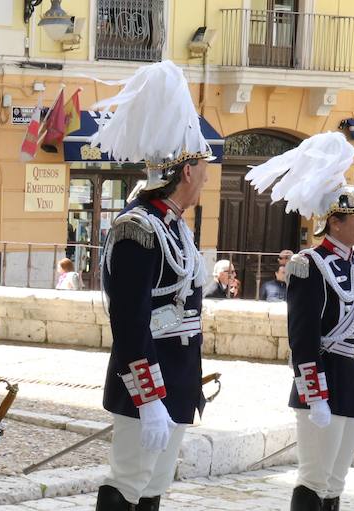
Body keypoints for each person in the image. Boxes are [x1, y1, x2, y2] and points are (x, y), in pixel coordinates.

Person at [91, 60, 213, 511]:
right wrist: (149, 398)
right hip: (147, 384)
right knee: (128, 482)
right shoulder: (137, 229)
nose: (206, 174)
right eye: (203, 165)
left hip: (176, 380)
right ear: (186, 172)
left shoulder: (175, 226)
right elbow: (129, 320)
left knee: (152, 489)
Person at [246, 131, 354, 511]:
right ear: (335, 222)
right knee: (314, 479)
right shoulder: (308, 265)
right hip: (325, 384)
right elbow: (303, 339)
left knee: (336, 481)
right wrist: (316, 395)